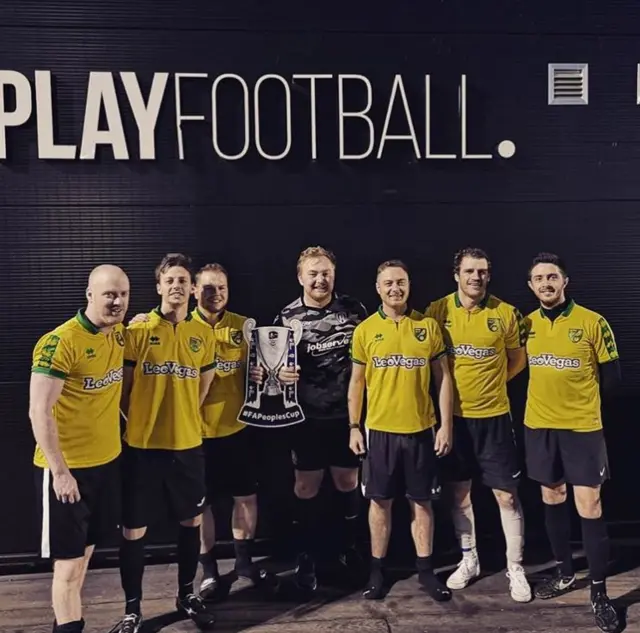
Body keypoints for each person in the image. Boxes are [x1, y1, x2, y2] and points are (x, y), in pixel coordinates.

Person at [110, 253, 217, 633]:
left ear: (192, 288)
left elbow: (202, 388)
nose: (176, 286)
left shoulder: (203, 334)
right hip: (142, 446)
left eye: (183, 280)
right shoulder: (137, 331)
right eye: (169, 280)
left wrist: (182, 414)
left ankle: (187, 594)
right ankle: (132, 609)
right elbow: (123, 392)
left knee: (190, 520)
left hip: (187, 444)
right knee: (134, 529)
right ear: (158, 287)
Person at [425, 247, 530, 602]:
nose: (476, 277)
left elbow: (517, 361)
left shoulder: (505, 313)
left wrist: (493, 385)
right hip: (453, 421)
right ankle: (469, 559)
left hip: (495, 418)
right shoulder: (437, 311)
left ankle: (515, 567)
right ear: (456, 274)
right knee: (459, 493)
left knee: (506, 496)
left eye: (483, 271)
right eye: (470, 271)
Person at [29, 265, 130, 633]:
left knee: (84, 560)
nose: (117, 301)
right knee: (68, 568)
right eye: (109, 294)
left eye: (122, 294)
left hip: (106, 465)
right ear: (89, 295)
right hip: (68, 474)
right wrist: (60, 472)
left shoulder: (117, 334)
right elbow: (38, 410)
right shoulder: (60, 341)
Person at [524, 252, 621, 633]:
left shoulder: (593, 322)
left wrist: (584, 408)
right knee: (551, 497)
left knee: (590, 503)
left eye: (552, 277)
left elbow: (612, 378)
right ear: (531, 286)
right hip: (539, 426)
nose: (546, 283)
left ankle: (599, 591)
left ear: (565, 281)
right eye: (538, 279)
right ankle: (565, 573)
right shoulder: (525, 324)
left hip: (581, 429)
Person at [348, 259, 454, 601]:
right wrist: (353, 426)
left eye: (401, 282)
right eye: (389, 283)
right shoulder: (365, 330)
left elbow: (443, 380)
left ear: (409, 285)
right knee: (380, 504)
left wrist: (445, 425)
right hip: (379, 432)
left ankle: (426, 572)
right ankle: (377, 571)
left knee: (422, 504)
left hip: (421, 431)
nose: (396, 288)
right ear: (378, 288)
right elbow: (356, 384)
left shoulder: (428, 327)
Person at [273, 245, 368, 593]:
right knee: (305, 488)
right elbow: (270, 373)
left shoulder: (355, 310)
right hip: (307, 420)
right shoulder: (286, 318)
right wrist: (279, 376)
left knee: (347, 484)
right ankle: (306, 555)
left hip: (347, 417)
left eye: (325, 272)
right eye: (312, 273)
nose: (320, 279)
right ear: (300, 277)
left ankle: (349, 549)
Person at [191, 264, 273, 598]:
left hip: (238, 429)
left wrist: (263, 376)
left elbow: (265, 373)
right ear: (195, 291)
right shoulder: (181, 327)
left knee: (246, 497)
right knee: (201, 506)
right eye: (208, 288)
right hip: (194, 434)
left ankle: (243, 564)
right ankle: (208, 572)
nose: (216, 294)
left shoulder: (244, 326)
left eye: (222, 288)